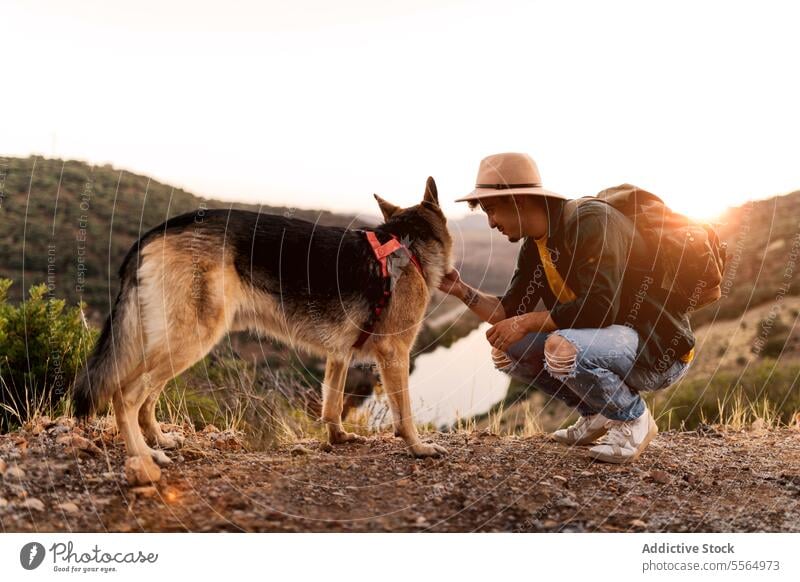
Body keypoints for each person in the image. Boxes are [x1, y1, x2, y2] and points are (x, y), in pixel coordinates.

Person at [438, 152, 695, 463]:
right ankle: (596, 414)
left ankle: (633, 420)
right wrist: (460, 290)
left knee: (560, 347)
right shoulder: (535, 244)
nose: (491, 223)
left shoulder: (591, 222)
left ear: (518, 201)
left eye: (492, 210)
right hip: (611, 345)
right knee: (507, 348)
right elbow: (508, 313)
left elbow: (601, 310)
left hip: (657, 353)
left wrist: (528, 322)